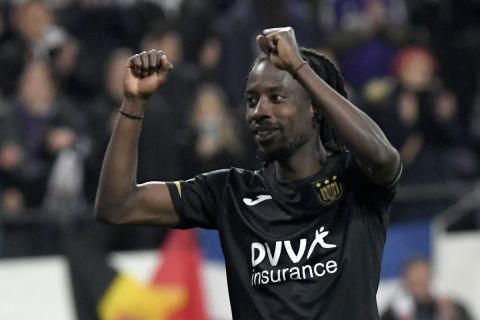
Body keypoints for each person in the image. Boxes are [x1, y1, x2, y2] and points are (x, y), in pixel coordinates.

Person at [95, 27, 401, 319]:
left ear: (314, 108)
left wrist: (299, 66)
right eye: (252, 100)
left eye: (276, 98)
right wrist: (134, 102)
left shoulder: (355, 180)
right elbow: (118, 205)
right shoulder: (232, 192)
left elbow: (384, 157)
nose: (259, 111)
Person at [381, 257, 472, 320]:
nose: (419, 287)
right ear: (406, 281)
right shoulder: (394, 313)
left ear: (430, 278)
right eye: (414, 282)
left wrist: (453, 315)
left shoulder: (449, 306)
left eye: (422, 281)